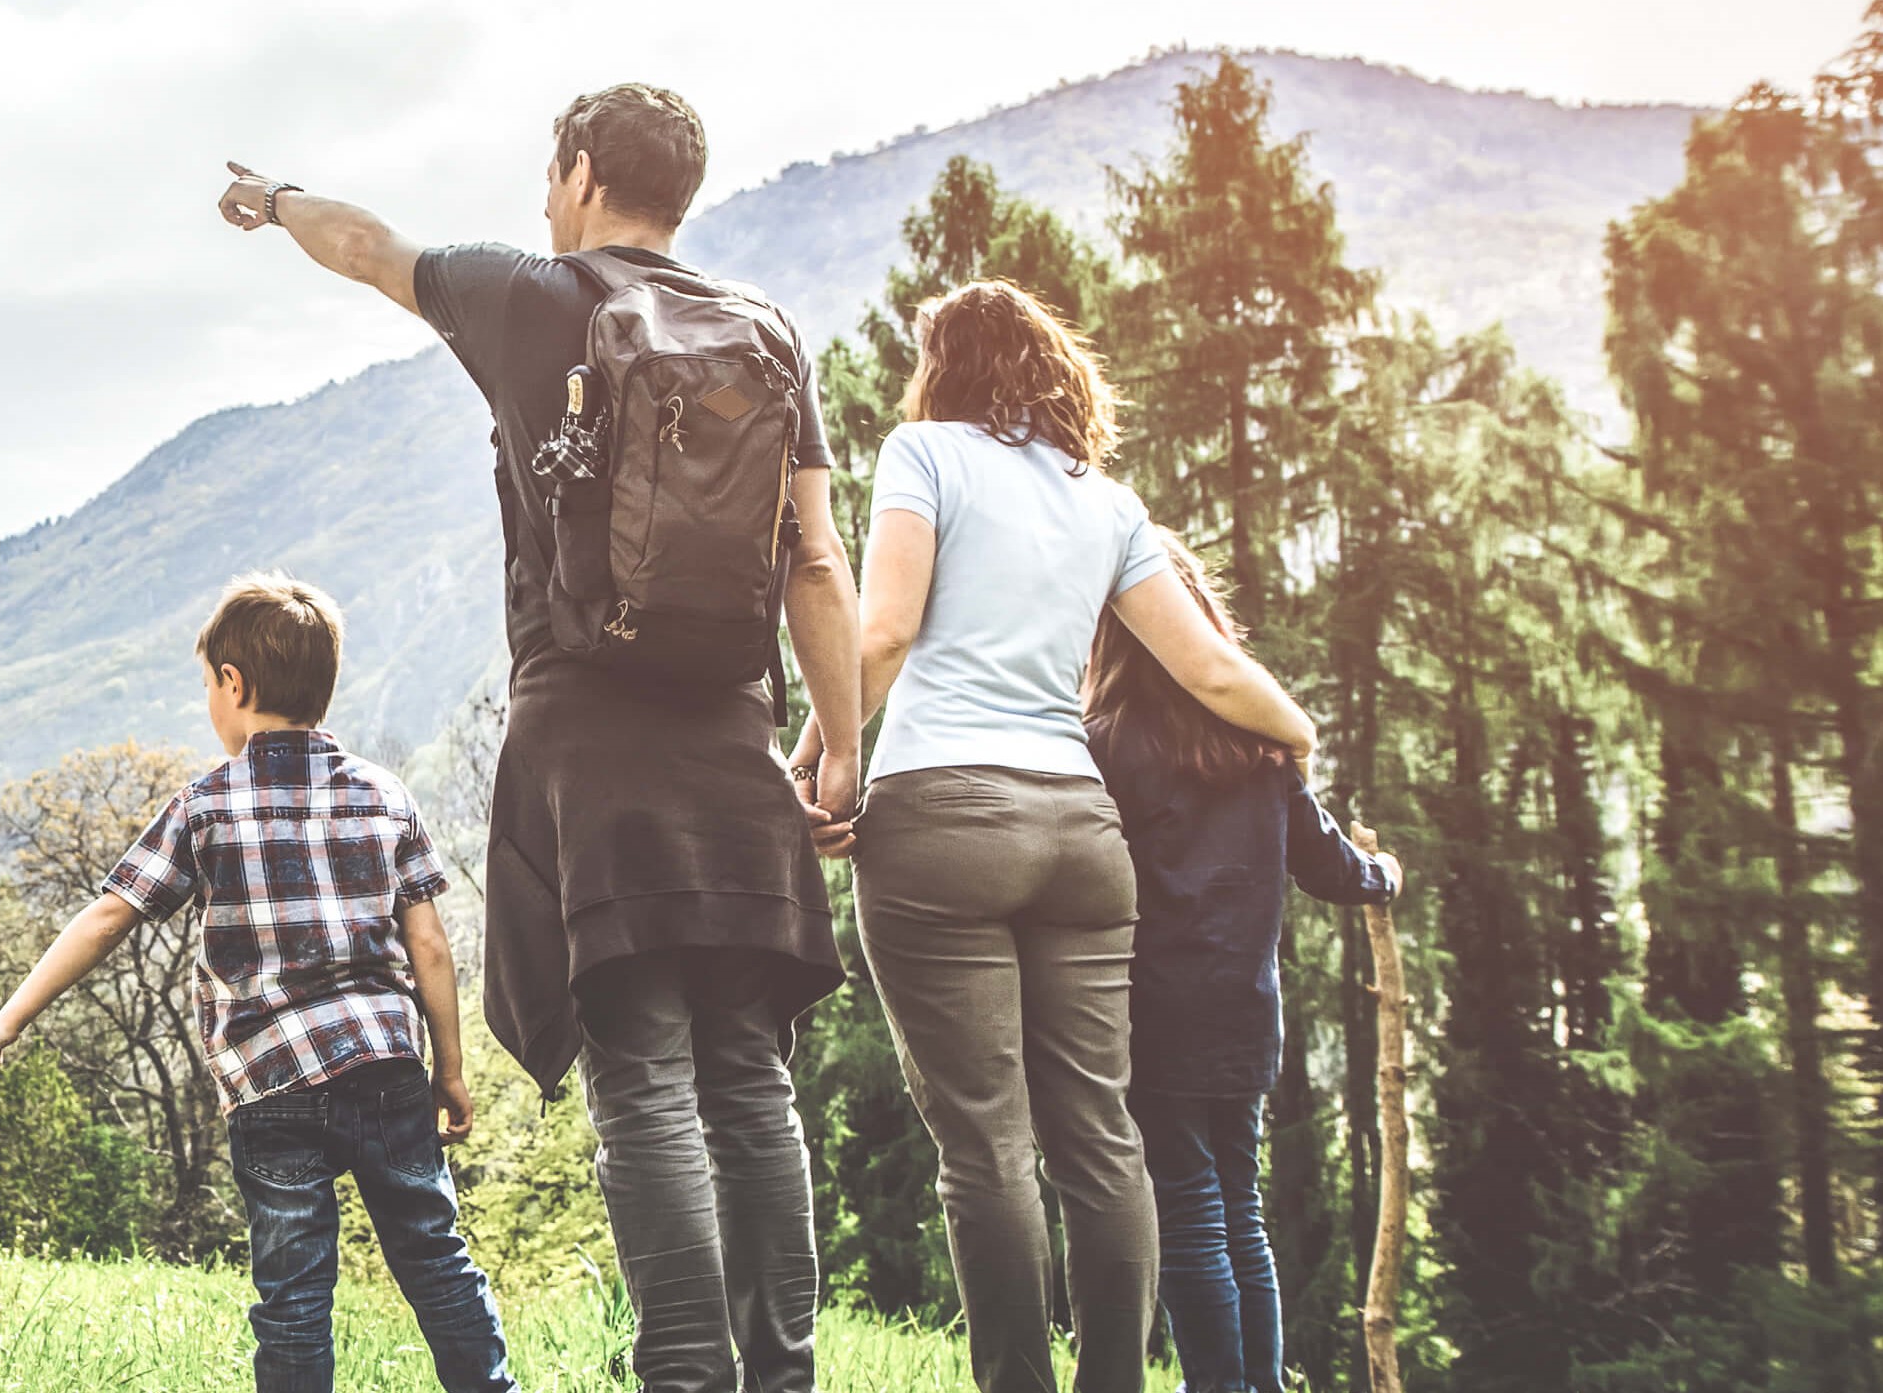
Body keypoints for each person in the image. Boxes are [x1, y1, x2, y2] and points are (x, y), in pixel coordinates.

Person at [213, 83, 865, 1393]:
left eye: (546, 170)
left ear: (576, 170)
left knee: (642, 1072)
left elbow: (366, 247)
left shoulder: (529, 297)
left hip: (588, 754)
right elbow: (813, 562)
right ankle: (778, 1376)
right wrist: (839, 743)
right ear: (678, 189)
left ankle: (683, 1370)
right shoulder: (766, 338)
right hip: (737, 752)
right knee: (748, 1077)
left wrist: (273, 199)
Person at [795, 279, 1318, 1393]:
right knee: (1099, 1137)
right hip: (1080, 836)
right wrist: (1300, 729)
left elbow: (880, 631)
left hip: (940, 817)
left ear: (942, 365)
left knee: (984, 1143)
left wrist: (821, 760)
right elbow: (1211, 671)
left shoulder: (921, 454)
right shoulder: (1109, 505)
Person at [0, 575, 518, 1393]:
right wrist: (450, 1070)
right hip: (386, 1065)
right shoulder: (381, 794)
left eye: (207, 687)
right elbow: (428, 943)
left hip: (269, 1079)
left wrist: (2, 1024)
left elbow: (108, 918)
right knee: (435, 1259)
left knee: (292, 1296)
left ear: (233, 684)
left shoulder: (204, 806)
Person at [1084, 531, 1400, 1393]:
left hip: (1155, 1013)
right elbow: (1333, 868)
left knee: (1186, 1212)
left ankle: (1215, 1387)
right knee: (1240, 1210)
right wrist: (1386, 873)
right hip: (1245, 1013)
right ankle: (1257, 1384)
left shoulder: (1102, 743)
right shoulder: (1258, 747)